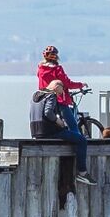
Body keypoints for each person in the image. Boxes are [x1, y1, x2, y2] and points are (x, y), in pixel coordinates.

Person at [34, 44, 91, 174]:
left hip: (44, 101)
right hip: (60, 102)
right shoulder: (57, 69)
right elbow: (67, 83)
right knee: (75, 130)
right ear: (56, 57)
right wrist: (80, 85)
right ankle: (80, 167)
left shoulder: (40, 69)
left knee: (62, 130)